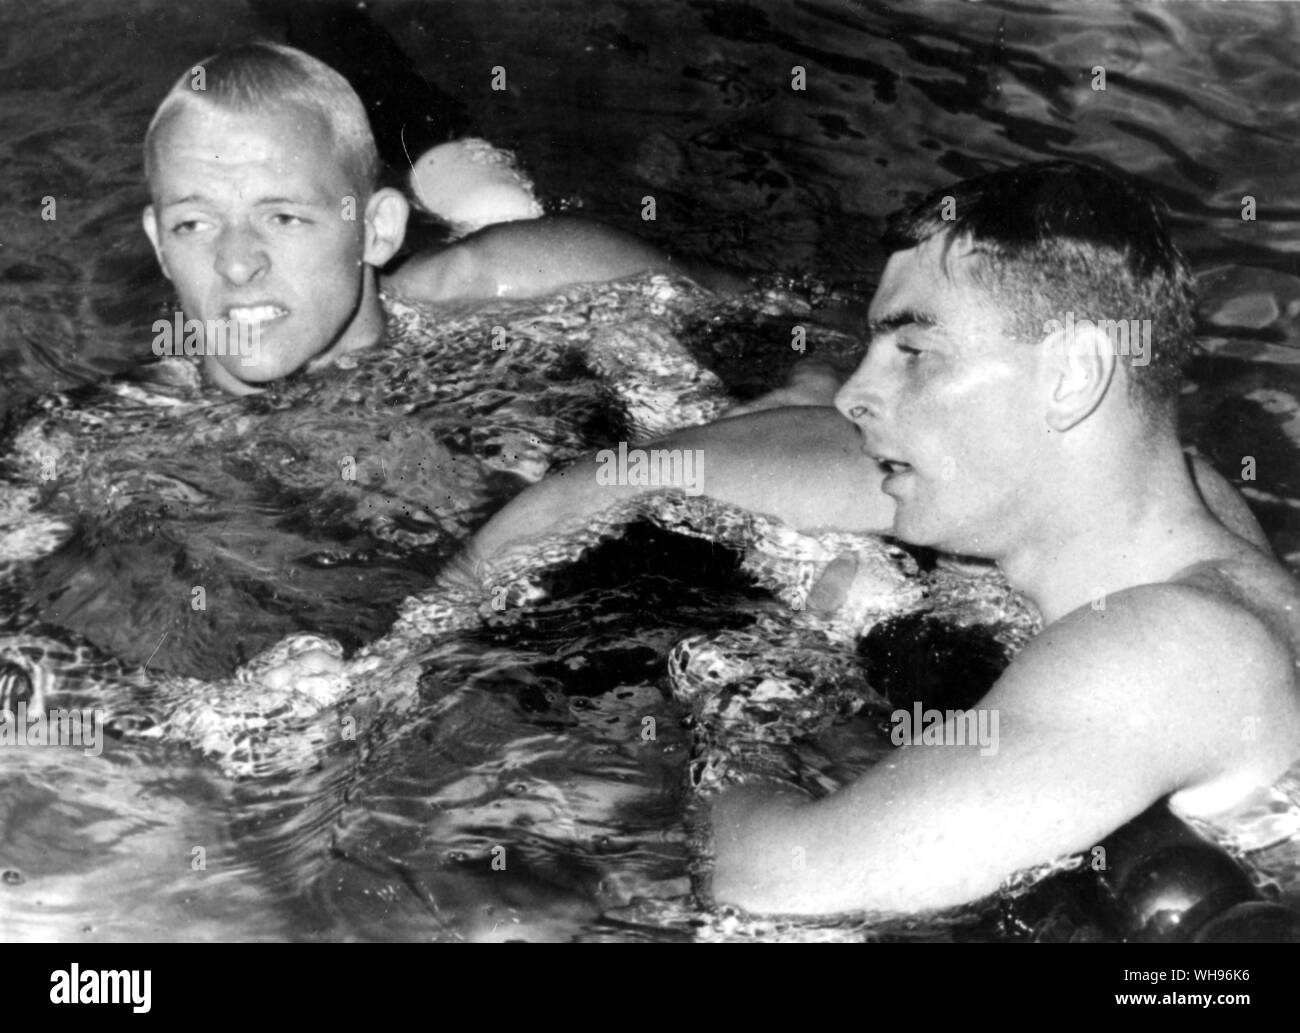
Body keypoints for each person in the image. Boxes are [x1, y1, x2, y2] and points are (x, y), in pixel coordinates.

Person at [466, 161, 1300, 916]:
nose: (857, 393)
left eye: (913, 351)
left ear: (1073, 375)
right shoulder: (1182, 507)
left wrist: (741, 710)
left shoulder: (1170, 648)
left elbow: (776, 882)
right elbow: (676, 471)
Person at [141, 42, 728, 398]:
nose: (237, 263)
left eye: (285, 218)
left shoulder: (526, 276)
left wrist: (808, 379)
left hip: (465, 223)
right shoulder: (122, 430)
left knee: (490, 199)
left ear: (376, 231)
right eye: (192, 224)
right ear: (157, 243)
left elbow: (800, 321)